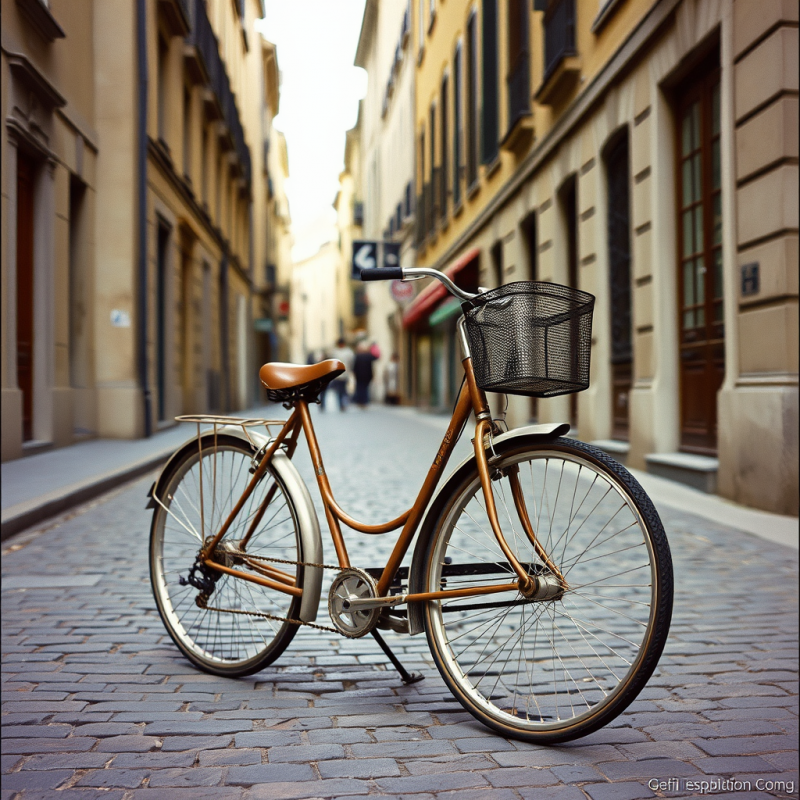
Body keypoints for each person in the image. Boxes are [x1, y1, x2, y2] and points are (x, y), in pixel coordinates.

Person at [329, 337, 354, 411]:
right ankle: (341, 404)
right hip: (338, 375)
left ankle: (343, 403)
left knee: (343, 390)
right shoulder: (336, 352)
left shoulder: (347, 352)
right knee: (340, 391)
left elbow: (351, 363)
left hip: (343, 374)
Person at [353, 341, 377, 409]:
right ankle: (365, 402)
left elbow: (355, 367)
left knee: (360, 389)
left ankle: (360, 402)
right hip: (367, 376)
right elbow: (374, 360)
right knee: (365, 389)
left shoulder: (358, 356)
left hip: (359, 376)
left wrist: (354, 374)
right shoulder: (368, 356)